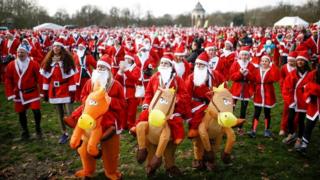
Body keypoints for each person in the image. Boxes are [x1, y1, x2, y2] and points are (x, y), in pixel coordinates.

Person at [134, 54, 191, 175]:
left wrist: (177, 99)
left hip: (170, 111)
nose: (164, 65)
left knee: (171, 137)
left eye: (167, 64)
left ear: (171, 66)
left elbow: (185, 94)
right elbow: (149, 93)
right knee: (145, 124)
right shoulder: (155, 77)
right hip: (154, 109)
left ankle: (170, 165)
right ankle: (149, 162)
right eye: (163, 63)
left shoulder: (177, 80)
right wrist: (146, 104)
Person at [79, 54, 125, 179]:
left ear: (109, 71)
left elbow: (122, 103)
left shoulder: (116, 86)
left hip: (110, 121)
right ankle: (88, 170)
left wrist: (110, 101)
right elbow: (83, 96)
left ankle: (110, 171)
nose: (99, 69)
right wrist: (89, 101)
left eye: (103, 67)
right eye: (98, 66)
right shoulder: (89, 83)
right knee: (84, 148)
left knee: (111, 150)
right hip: (90, 120)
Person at [40, 39, 77, 144]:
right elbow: (46, 78)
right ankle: (64, 133)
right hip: (54, 91)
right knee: (59, 113)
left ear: (61, 48)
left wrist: (72, 92)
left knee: (70, 114)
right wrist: (45, 92)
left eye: (58, 46)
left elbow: (71, 78)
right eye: (54, 46)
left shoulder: (66, 61)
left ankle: (76, 132)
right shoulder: (49, 61)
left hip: (65, 90)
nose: (56, 48)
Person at [5, 44, 42, 140]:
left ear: (27, 53)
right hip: (19, 93)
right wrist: (10, 93)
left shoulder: (34, 64)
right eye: (18, 52)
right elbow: (8, 80)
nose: (20, 54)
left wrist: (42, 91)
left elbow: (40, 78)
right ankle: (25, 132)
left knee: (36, 111)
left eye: (22, 52)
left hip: (32, 92)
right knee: (21, 113)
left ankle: (38, 129)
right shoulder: (11, 65)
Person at [186, 52, 225, 138]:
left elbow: (223, 86)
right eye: (197, 64)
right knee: (199, 113)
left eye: (201, 64)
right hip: (197, 103)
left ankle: (223, 128)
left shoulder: (215, 75)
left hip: (214, 101)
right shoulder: (191, 77)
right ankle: (194, 129)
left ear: (207, 66)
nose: (199, 66)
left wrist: (218, 93)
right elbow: (187, 94)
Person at [282, 51, 312, 149]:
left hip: (303, 101)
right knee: (290, 118)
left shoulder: (310, 74)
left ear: (306, 62)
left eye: (302, 60)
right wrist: (289, 99)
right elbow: (286, 87)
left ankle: (299, 138)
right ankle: (291, 133)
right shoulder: (292, 73)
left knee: (301, 120)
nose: (300, 62)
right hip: (293, 100)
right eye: (298, 60)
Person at [247, 54, 280, 138]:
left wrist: (273, 66)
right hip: (258, 93)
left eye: (266, 61)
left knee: (267, 112)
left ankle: (267, 130)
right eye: (262, 61)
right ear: (260, 62)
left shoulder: (271, 70)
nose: (264, 62)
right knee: (256, 112)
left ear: (269, 62)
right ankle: (253, 130)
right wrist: (252, 92)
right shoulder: (256, 70)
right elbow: (252, 80)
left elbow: (276, 78)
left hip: (268, 92)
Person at [229, 46, 256, 135]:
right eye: (243, 55)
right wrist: (240, 73)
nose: (244, 56)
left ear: (248, 56)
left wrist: (248, 74)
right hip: (236, 87)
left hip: (246, 88)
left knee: (243, 109)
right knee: (231, 107)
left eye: (246, 55)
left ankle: (240, 127)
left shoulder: (251, 65)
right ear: (240, 55)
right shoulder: (236, 64)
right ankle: (229, 124)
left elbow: (253, 78)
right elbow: (232, 77)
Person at [296, 63, 320, 154]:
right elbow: (306, 86)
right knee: (309, 125)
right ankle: (304, 145)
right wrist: (310, 93)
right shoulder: (313, 74)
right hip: (313, 104)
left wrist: (314, 89)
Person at [115, 52, 141, 130]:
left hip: (132, 90)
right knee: (123, 109)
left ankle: (131, 125)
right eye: (125, 58)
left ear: (132, 60)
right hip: (123, 90)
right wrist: (120, 72)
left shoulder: (136, 69)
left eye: (128, 58)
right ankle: (123, 125)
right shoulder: (122, 68)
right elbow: (116, 80)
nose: (126, 60)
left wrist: (126, 71)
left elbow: (134, 79)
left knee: (131, 110)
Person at [279, 51, 297, 136]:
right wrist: (283, 88)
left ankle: (293, 128)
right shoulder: (284, 67)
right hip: (287, 92)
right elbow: (281, 78)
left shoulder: (298, 68)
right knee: (286, 110)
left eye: (293, 61)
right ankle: (283, 128)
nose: (291, 62)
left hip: (297, 92)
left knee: (296, 111)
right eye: (289, 61)